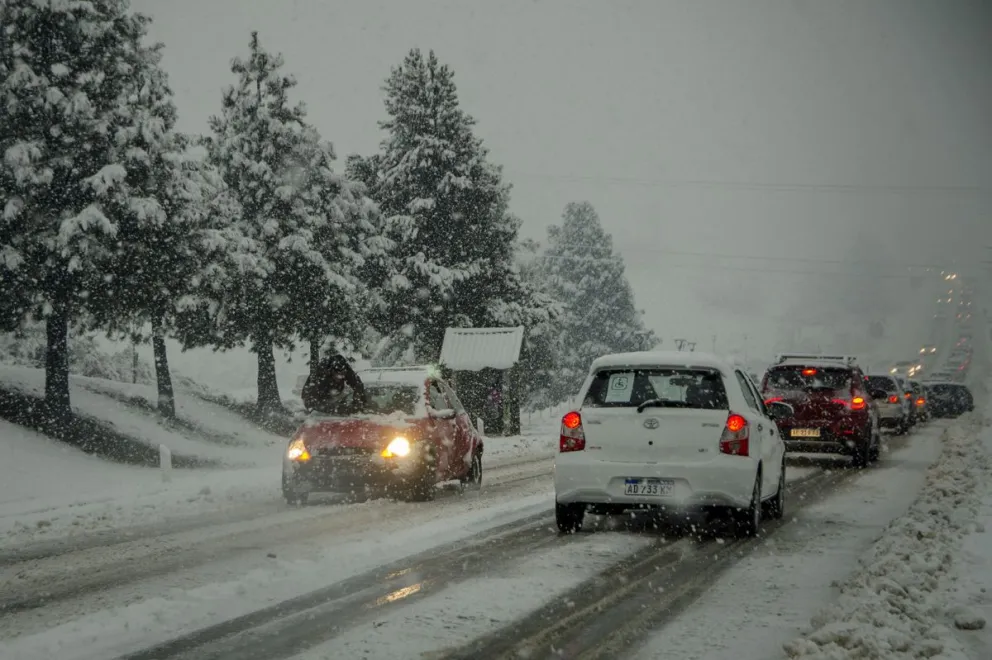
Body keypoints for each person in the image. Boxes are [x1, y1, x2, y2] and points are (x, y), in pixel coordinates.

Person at [301, 353, 366, 415]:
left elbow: (358, 385)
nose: (342, 377)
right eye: (339, 375)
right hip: (316, 398)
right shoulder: (320, 376)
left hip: (334, 394)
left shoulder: (346, 369)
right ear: (331, 371)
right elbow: (309, 400)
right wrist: (334, 408)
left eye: (344, 374)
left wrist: (358, 401)